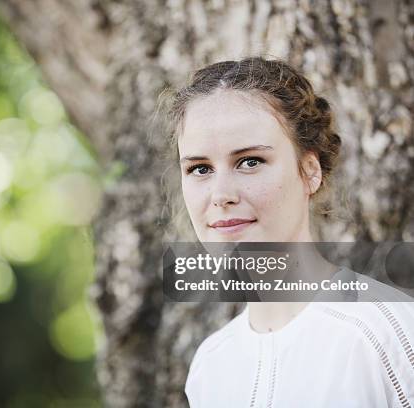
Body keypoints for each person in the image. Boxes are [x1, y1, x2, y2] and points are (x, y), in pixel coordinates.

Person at [167, 57, 414, 407]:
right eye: (200, 168)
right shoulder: (211, 366)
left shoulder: (389, 336)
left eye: (250, 162)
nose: (221, 195)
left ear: (309, 171)